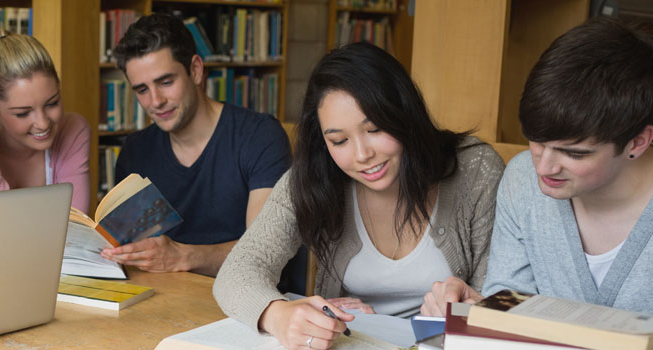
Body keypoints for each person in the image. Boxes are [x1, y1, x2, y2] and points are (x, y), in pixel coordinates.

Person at [214, 43, 505, 350]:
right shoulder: (313, 176)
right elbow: (238, 271)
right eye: (339, 140)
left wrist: (471, 310)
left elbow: (505, 300)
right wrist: (278, 315)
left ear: (404, 113)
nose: (363, 155)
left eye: (375, 129)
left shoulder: (476, 172)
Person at [421, 17, 653, 316]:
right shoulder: (522, 178)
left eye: (574, 154)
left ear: (637, 142)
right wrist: (480, 308)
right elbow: (512, 301)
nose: (544, 168)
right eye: (537, 142)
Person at [101, 14, 301, 280]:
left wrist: (182, 256)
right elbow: (135, 251)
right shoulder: (135, 151)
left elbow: (264, 254)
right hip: (164, 300)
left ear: (195, 70)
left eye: (165, 82)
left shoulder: (259, 136)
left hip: (246, 300)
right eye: (142, 90)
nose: (156, 101)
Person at [0, 27, 90, 212]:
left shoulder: (73, 130)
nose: (43, 123)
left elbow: (75, 229)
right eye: (22, 113)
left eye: (52, 104)